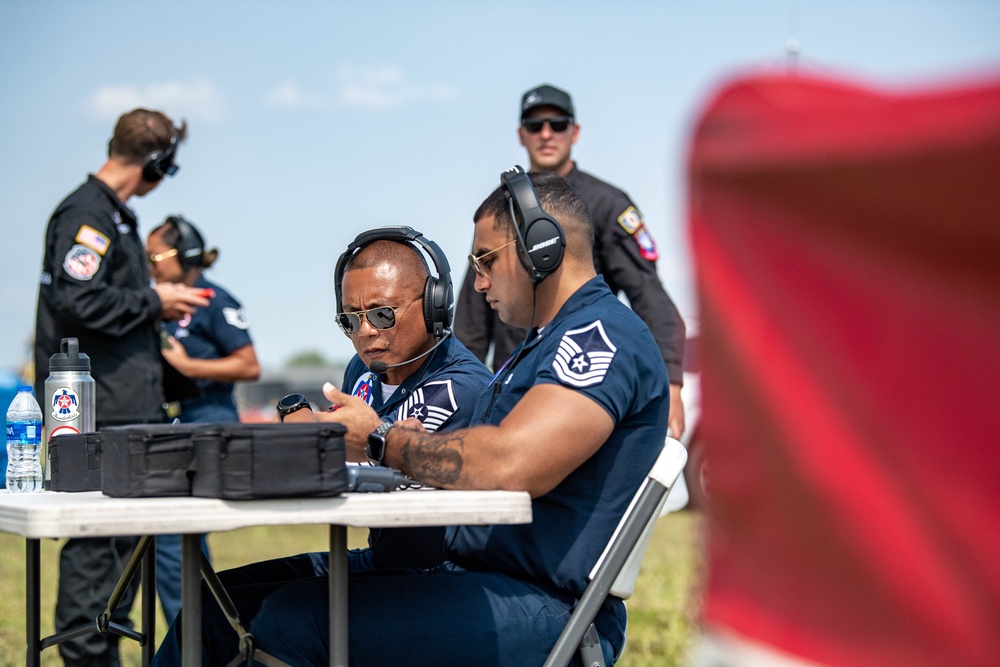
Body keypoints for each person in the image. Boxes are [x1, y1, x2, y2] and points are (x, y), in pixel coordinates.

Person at [153, 171, 670, 666]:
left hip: (549, 605)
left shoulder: (599, 335)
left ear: (543, 248)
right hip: (475, 575)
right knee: (218, 604)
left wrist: (378, 441)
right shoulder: (546, 342)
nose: (479, 281)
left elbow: (513, 463)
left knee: (292, 620)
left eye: (486, 260)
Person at [151, 226, 492, 665]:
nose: (366, 331)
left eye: (383, 314)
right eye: (350, 319)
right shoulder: (363, 370)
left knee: (275, 619)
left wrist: (328, 438)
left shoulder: (461, 386)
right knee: (207, 604)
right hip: (382, 561)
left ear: (433, 303)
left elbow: (373, 457)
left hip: (439, 576)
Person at [33, 108, 207, 666]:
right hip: (98, 410)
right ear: (156, 163)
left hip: (128, 409)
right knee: (95, 549)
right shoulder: (89, 217)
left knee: (124, 554)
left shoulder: (115, 218)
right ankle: (89, 656)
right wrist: (156, 300)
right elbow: (77, 300)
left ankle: (105, 650)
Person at [454, 83, 687, 439]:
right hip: (511, 386)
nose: (546, 134)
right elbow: (471, 322)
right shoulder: (499, 213)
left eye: (558, 124)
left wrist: (670, 380)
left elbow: (649, 296)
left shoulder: (607, 204)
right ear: (521, 135)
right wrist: (462, 392)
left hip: (575, 382)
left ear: (574, 132)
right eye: (534, 125)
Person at [145, 214, 261, 624]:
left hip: (210, 420)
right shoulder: (157, 302)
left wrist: (191, 366)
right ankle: (209, 631)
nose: (150, 264)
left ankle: (191, 640)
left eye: (155, 255)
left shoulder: (214, 299)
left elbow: (249, 366)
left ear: (185, 255)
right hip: (173, 423)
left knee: (172, 537)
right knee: (179, 540)